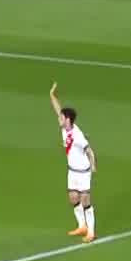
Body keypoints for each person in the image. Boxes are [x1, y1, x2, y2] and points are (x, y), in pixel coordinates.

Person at [49, 83, 96, 241]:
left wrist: (93, 166)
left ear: (68, 120)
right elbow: (58, 109)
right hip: (72, 170)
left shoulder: (78, 136)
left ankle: (91, 232)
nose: (59, 119)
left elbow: (89, 151)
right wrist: (52, 95)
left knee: (85, 201)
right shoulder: (65, 127)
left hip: (83, 172)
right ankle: (82, 226)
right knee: (73, 198)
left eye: (62, 118)